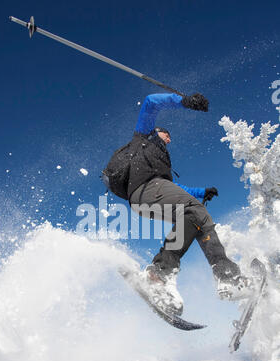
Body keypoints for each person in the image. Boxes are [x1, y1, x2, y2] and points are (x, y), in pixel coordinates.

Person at [104, 93, 251, 308]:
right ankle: (160, 274)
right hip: (146, 190)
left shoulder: (161, 162)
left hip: (150, 195)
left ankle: (227, 277)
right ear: (156, 131)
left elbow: (174, 189)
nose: (169, 139)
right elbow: (151, 102)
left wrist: (202, 191)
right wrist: (184, 100)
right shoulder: (142, 137)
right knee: (195, 211)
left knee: (198, 219)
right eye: (166, 134)